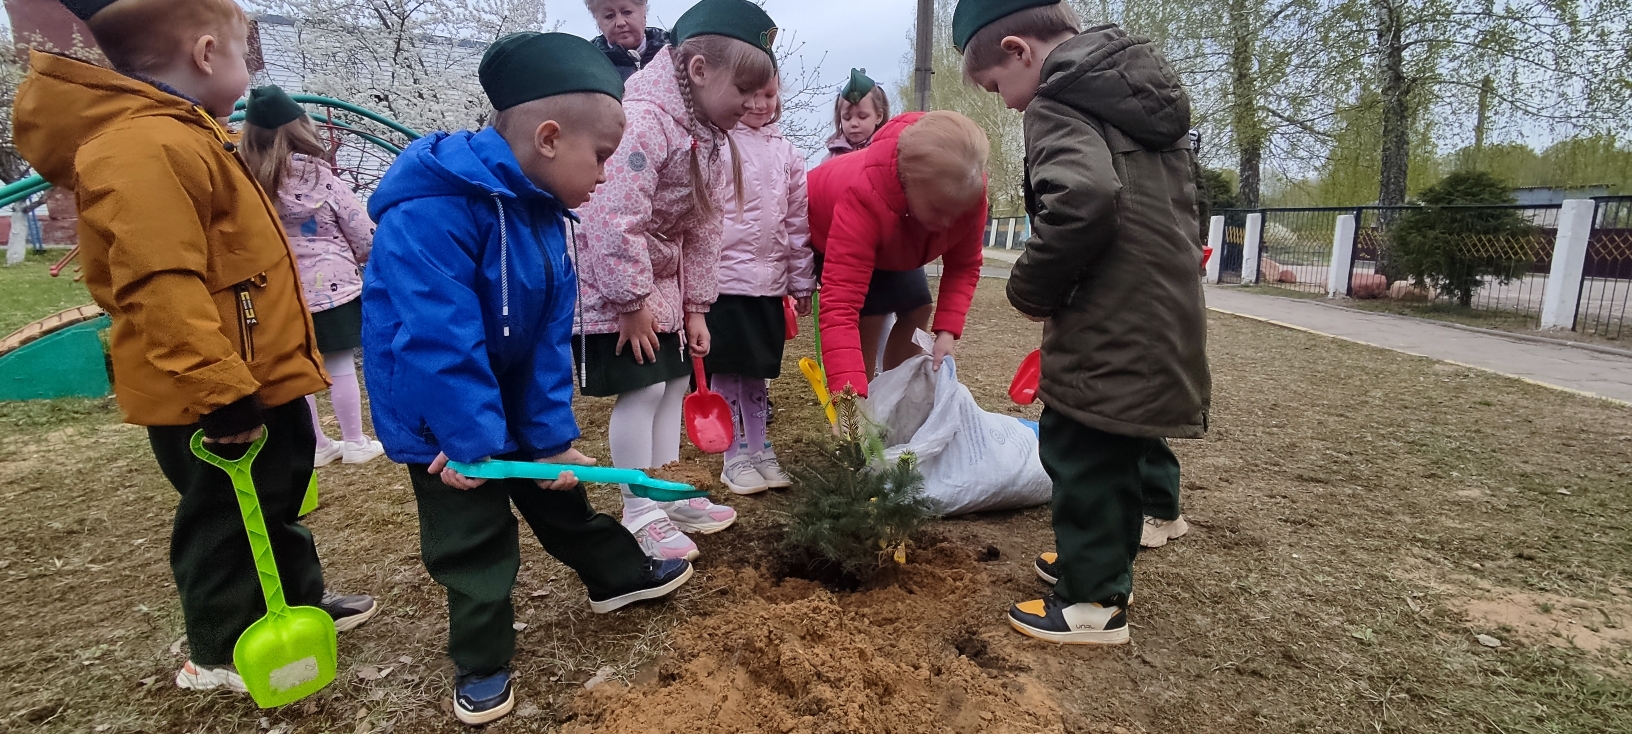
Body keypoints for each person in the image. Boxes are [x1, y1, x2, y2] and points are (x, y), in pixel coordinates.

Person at [14, 0, 376, 694]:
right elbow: (160, 278)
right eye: (245, 53)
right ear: (208, 53)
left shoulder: (191, 134)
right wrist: (220, 389)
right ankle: (219, 648)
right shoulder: (142, 147)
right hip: (210, 389)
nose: (247, 70)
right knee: (222, 516)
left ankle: (294, 602)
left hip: (254, 373)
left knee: (275, 497)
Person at [362, 33, 694, 725]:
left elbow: (548, 333)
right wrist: (470, 444)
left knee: (556, 492)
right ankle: (481, 660)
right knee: (473, 533)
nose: (607, 174)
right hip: (436, 416)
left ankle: (617, 578)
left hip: (504, 390)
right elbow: (436, 339)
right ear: (548, 137)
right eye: (601, 156)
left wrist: (546, 436)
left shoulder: (546, 211)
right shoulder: (431, 210)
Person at [956, 0, 1211, 645]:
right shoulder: (1135, 88)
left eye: (995, 87)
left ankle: (1092, 604)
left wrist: (1032, 285)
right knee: (1120, 431)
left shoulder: (1056, 99)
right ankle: (1099, 557)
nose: (1007, 103)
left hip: (1108, 304)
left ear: (1019, 51)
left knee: (1081, 444)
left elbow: (1086, 195)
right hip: (1160, 295)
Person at [574, 0, 780, 562]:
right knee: (641, 389)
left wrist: (696, 308)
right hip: (617, 289)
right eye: (744, 90)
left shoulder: (708, 133)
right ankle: (638, 507)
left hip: (663, 286)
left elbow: (704, 225)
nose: (751, 105)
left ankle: (664, 493)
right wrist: (631, 300)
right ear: (697, 72)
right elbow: (611, 216)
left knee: (670, 387)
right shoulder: (644, 120)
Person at [240, 85, 384, 468]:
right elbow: (364, 234)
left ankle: (317, 444)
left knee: (301, 370)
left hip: (280, 294)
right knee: (339, 366)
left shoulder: (248, 186)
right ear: (303, 131)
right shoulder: (324, 181)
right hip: (335, 293)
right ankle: (354, 441)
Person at [806, 111, 989, 399]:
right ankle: (859, 406)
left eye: (957, 215)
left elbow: (964, 265)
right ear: (908, 185)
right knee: (870, 315)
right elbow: (841, 308)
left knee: (918, 306)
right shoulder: (862, 198)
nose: (948, 225)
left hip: (901, 236)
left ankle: (896, 397)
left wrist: (946, 333)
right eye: (940, 211)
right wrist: (848, 396)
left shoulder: (967, 192)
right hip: (830, 224)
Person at [706, 76, 815, 495]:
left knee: (757, 374)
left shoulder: (788, 153)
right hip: (723, 282)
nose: (760, 103)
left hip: (768, 285)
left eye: (768, 95)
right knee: (727, 371)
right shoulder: (720, 143)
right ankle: (732, 456)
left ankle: (760, 448)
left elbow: (797, 221)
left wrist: (801, 280)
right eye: (751, 94)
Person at [586, 0, 670, 80]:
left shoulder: (673, 50)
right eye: (609, 16)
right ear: (598, 24)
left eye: (627, 12)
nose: (620, 22)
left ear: (644, 14)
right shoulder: (589, 64)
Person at [825, 68, 891, 161]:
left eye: (862, 117)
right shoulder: (829, 160)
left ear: (879, 116)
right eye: (847, 118)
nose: (854, 123)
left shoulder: (888, 153)